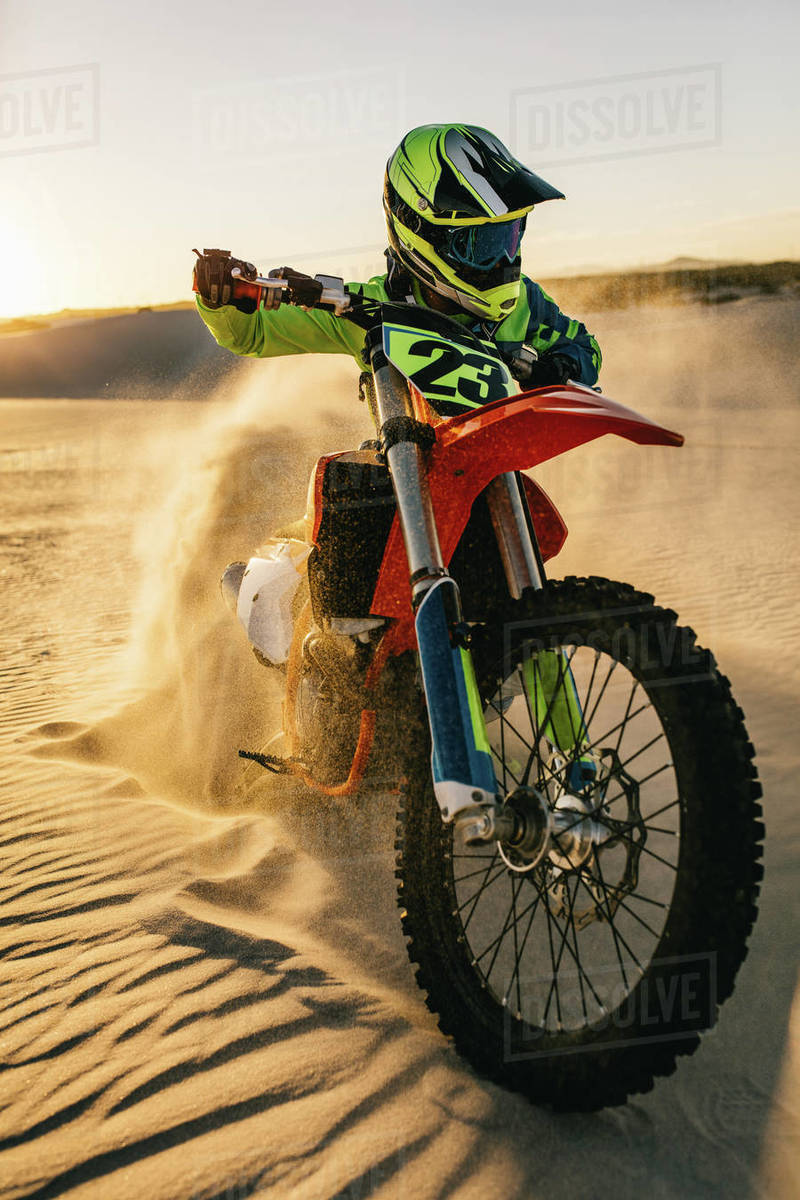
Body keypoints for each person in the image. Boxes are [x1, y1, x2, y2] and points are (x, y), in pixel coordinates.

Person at [193, 123, 601, 389]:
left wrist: (560, 367)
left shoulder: (525, 305)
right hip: (407, 472)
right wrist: (217, 297)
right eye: (478, 243)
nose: (502, 260)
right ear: (420, 230)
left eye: (508, 237)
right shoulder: (365, 310)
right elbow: (252, 333)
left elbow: (585, 347)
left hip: (496, 473)